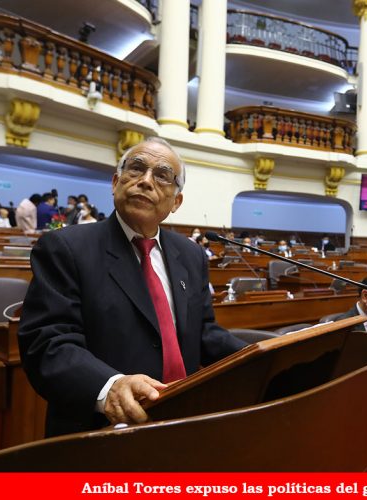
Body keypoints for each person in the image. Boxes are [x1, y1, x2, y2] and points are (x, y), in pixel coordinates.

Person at [18, 137, 247, 437]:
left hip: (180, 420)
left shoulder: (190, 255)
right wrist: (110, 386)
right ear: (115, 182)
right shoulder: (66, 248)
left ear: (176, 202)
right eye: (136, 169)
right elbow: (48, 343)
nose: (146, 181)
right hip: (99, 432)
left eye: (162, 175)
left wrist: (261, 354)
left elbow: (203, 332)